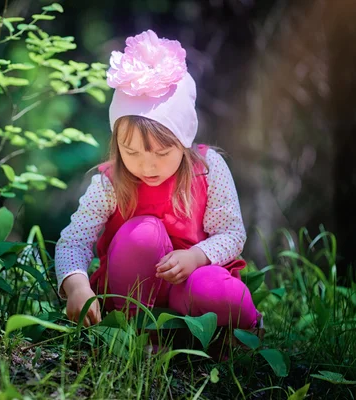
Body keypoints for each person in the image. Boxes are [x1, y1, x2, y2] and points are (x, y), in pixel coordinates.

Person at [54, 29, 262, 333]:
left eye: (162, 152)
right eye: (131, 151)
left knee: (213, 289)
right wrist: (76, 286)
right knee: (142, 235)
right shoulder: (110, 184)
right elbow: (75, 240)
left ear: (184, 140)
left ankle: (226, 335)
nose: (146, 165)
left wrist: (196, 256)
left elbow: (231, 233)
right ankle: (135, 333)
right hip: (132, 292)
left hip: (192, 284)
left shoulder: (207, 169)